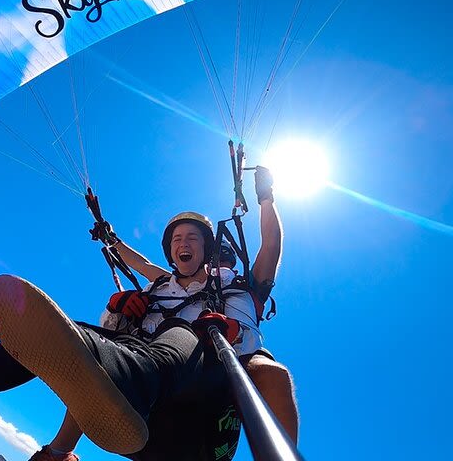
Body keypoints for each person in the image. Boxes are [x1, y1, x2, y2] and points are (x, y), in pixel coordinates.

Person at [0, 169, 297, 460]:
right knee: (77, 341)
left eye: (193, 239)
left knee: (186, 343)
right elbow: (83, 371)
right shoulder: (159, 288)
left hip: (211, 411)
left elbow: (270, 246)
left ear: (209, 247)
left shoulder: (237, 287)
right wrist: (60, 449)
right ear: (168, 253)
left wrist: (267, 197)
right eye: (176, 241)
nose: (184, 244)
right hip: (152, 417)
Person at [31, 168, 297, 461]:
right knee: (103, 352)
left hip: (215, 383)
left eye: (225, 259)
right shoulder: (171, 283)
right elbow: (142, 263)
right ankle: (59, 451)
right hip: (161, 372)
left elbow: (271, 244)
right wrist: (111, 239)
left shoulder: (245, 288)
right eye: (217, 258)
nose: (220, 265)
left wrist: (266, 198)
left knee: (273, 374)